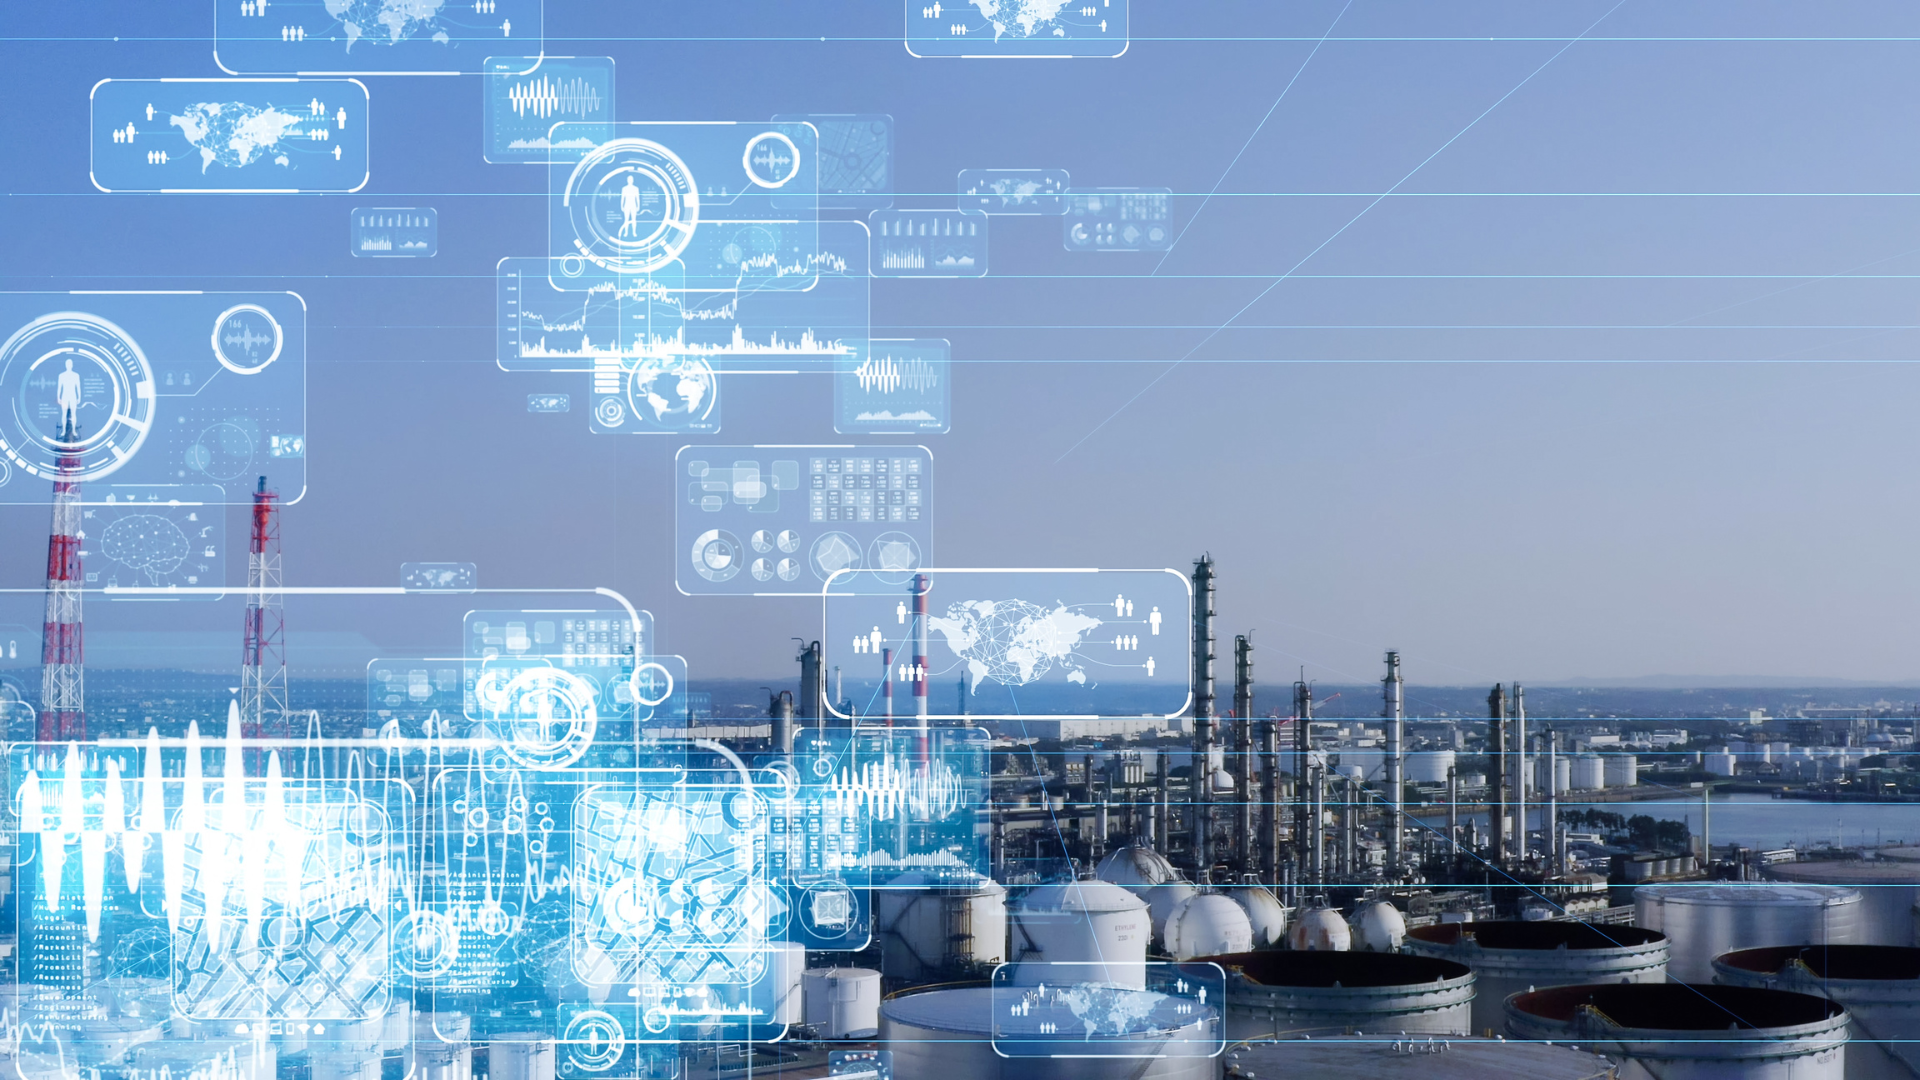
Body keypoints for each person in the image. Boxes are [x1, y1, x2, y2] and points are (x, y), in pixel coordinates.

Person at [55, 358, 82, 433]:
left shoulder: (76, 375)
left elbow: (78, 387)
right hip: (65, 396)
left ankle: (73, 431)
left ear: (72, 365)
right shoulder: (61, 375)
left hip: (73, 396)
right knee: (64, 414)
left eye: (70, 364)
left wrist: (79, 397)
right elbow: (59, 388)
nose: (69, 365)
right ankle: (63, 431)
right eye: (68, 364)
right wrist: (58, 397)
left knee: (73, 414)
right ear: (66, 365)